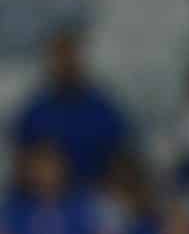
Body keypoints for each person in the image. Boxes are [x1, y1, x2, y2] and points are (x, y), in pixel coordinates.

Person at [13, 24, 130, 185]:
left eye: (70, 54)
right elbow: (21, 169)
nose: (65, 62)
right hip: (46, 203)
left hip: (98, 197)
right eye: (59, 55)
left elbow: (124, 163)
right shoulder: (34, 114)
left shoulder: (104, 111)